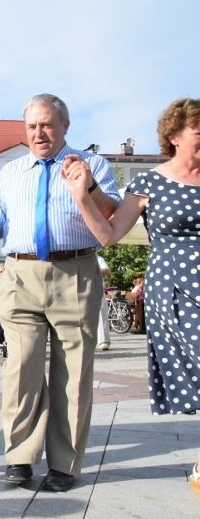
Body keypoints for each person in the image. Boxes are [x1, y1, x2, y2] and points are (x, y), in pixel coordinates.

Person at [0, 93, 120, 491]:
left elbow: (111, 213)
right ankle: (20, 456)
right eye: (31, 126)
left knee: (73, 374)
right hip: (21, 273)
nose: (38, 133)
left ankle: (65, 464)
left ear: (65, 126)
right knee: (21, 366)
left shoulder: (92, 164)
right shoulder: (11, 172)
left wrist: (87, 185)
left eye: (46, 124)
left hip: (75, 271)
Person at [60, 97, 200, 495]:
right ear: (174, 136)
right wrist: (81, 195)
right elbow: (109, 234)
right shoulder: (149, 182)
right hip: (175, 288)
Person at [96, 255, 111, 351]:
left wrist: (94, 269)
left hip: (97, 288)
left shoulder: (98, 258)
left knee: (101, 314)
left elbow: (107, 271)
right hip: (78, 289)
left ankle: (103, 341)